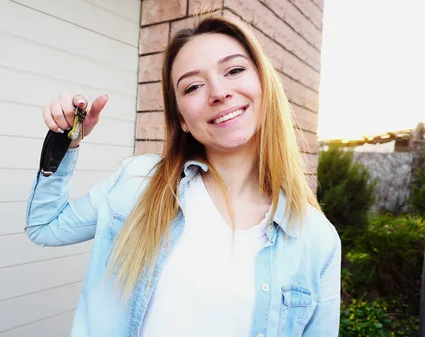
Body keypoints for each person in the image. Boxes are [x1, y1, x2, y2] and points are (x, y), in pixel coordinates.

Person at [26, 15, 341, 337]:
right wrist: (67, 138)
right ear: (183, 121)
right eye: (192, 86)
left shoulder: (316, 239)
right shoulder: (139, 181)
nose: (218, 92)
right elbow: (45, 227)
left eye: (234, 70)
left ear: (264, 85)